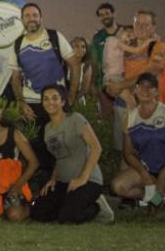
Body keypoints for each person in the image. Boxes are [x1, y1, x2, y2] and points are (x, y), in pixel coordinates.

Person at [111, 73, 165, 220]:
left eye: (150, 87)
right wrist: (145, 174)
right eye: (141, 86)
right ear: (135, 90)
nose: (145, 90)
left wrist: (163, 175)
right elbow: (128, 153)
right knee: (119, 186)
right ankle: (158, 200)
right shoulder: (130, 118)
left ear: (156, 91)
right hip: (149, 168)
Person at [8, 3, 81, 170]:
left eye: (35, 15)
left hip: (56, 103)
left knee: (64, 148)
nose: (31, 18)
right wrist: (21, 102)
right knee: (40, 151)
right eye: (27, 16)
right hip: (32, 106)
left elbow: (75, 65)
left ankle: (68, 187)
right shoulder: (18, 44)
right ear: (22, 20)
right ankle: (47, 189)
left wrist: (70, 96)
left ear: (41, 18)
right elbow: (15, 78)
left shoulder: (54, 36)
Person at [30, 85, 114, 224]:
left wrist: (83, 178)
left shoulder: (75, 119)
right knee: (38, 213)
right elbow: (59, 157)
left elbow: (96, 148)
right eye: (46, 99)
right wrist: (53, 179)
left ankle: (97, 207)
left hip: (88, 180)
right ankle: (70, 205)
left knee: (67, 218)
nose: (50, 102)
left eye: (55, 98)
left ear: (63, 101)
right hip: (65, 182)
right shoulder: (47, 129)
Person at [107, 10, 165, 153]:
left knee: (151, 150)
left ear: (153, 27)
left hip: (150, 105)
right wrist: (112, 86)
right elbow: (110, 73)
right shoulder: (125, 46)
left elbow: (151, 72)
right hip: (123, 104)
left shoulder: (158, 46)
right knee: (125, 151)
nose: (140, 27)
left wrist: (120, 86)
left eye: (146, 25)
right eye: (137, 23)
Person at [91, 2, 119, 119]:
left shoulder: (125, 32)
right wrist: (93, 83)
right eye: (101, 15)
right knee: (109, 120)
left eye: (107, 13)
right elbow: (95, 62)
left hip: (126, 83)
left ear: (113, 14)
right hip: (104, 85)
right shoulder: (98, 38)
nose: (105, 16)